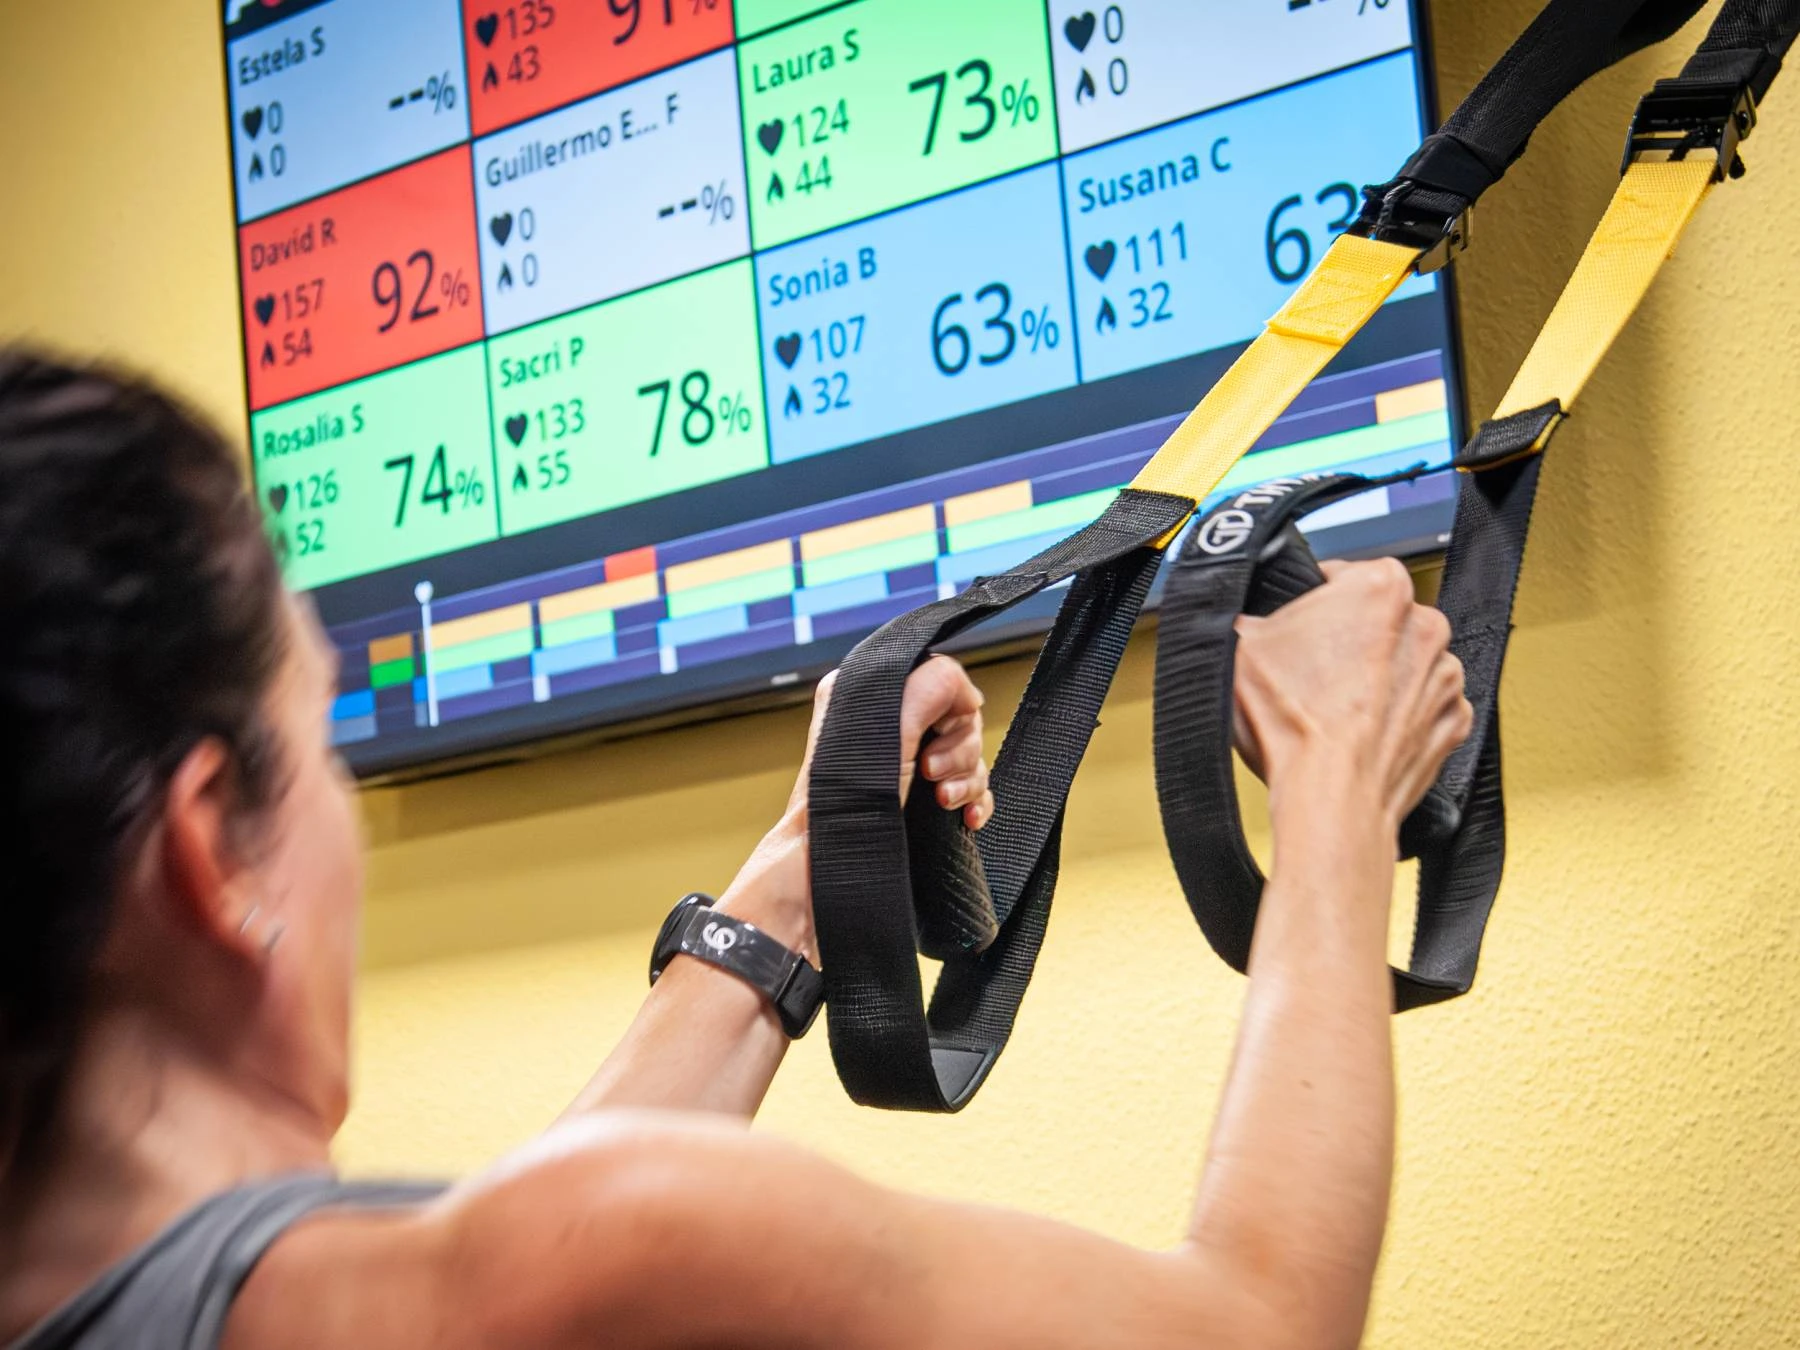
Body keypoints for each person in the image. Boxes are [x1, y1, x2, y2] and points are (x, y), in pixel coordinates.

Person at [0, 350, 1471, 1350]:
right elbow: (1259, 1323)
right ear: (214, 844)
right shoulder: (556, 1262)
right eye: (317, 733)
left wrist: (806, 863)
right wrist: (1336, 775)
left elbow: (533, 1266)